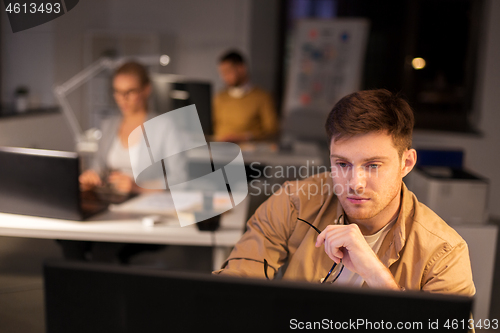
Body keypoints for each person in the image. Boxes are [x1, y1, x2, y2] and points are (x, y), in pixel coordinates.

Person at [214, 89, 475, 296]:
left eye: (373, 165)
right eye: (342, 164)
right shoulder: (295, 203)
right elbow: (234, 286)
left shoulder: (444, 252)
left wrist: (377, 276)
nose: (355, 183)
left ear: (406, 163)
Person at [62, 60, 187, 263]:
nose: (123, 99)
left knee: (104, 250)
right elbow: (100, 167)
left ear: (146, 90)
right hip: (110, 203)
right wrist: (92, 176)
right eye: (118, 92)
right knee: (70, 241)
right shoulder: (110, 124)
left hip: (144, 208)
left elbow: (180, 179)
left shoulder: (165, 125)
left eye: (130, 92)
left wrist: (137, 186)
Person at [212, 50, 279, 142]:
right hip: (220, 149)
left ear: (241, 68)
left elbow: (272, 130)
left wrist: (246, 137)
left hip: (248, 150)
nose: (225, 77)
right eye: (222, 73)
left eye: (228, 71)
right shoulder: (220, 97)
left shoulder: (262, 97)